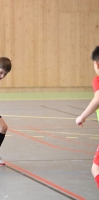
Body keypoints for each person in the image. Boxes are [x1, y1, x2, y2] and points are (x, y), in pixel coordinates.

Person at [76, 46, 99, 189]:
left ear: (97, 64)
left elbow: (98, 97)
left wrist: (82, 116)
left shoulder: (98, 79)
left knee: (96, 169)